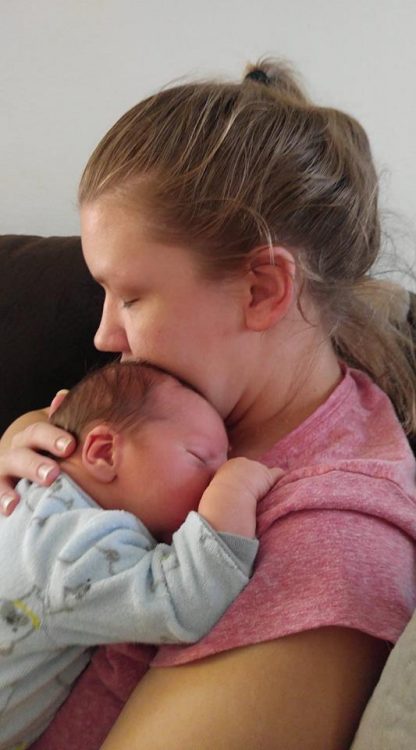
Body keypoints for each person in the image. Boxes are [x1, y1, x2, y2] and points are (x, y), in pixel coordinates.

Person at [0, 58, 416, 750]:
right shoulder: (198, 404)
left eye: (131, 297)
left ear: (262, 290)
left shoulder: (333, 541)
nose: (105, 336)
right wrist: (29, 464)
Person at [0, 360, 279, 750]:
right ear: (104, 451)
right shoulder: (76, 546)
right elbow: (186, 601)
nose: (216, 474)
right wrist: (235, 489)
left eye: (223, 464)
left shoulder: (34, 496)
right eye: (200, 458)